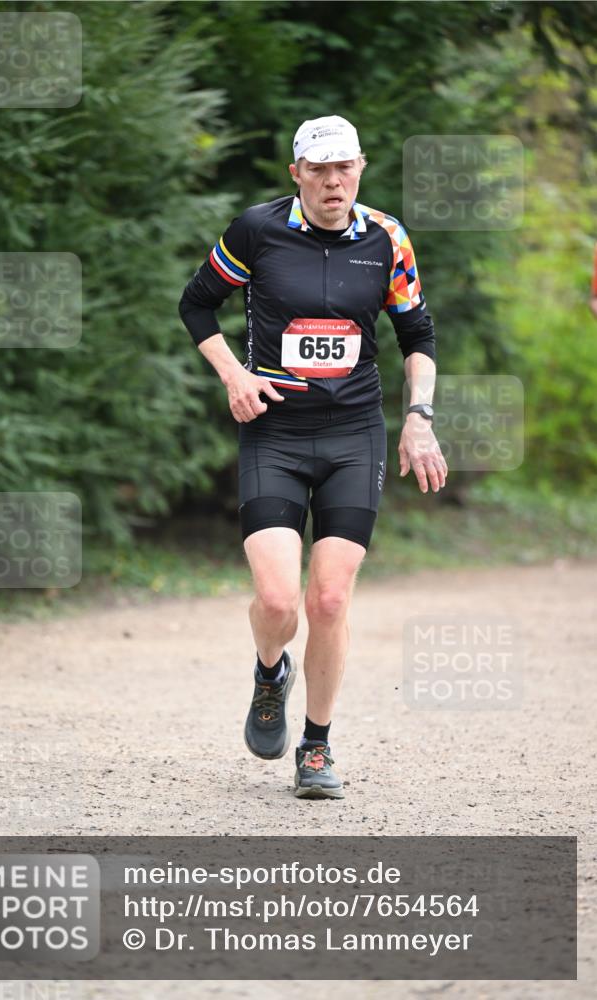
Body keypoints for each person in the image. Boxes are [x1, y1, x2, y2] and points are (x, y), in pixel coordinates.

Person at [179, 115, 447, 800]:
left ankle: (316, 747)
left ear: (360, 167)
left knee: (328, 597)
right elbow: (197, 305)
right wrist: (233, 376)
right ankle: (270, 672)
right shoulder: (256, 231)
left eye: (345, 168)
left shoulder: (386, 239)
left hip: (353, 434)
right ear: (295, 173)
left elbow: (415, 331)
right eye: (319, 170)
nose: (334, 182)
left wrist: (418, 418)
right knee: (277, 601)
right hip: (274, 432)